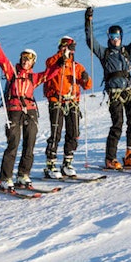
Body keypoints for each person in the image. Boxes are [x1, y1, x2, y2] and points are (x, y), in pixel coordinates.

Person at [85, 6, 131, 169]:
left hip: (129, 91)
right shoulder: (105, 53)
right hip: (114, 93)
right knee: (117, 124)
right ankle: (110, 158)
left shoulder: (127, 51)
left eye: (117, 36)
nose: (115, 39)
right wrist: (88, 21)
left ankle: (130, 154)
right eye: (112, 36)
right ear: (109, 37)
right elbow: (90, 41)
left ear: (121, 36)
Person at [0, 37, 60, 189]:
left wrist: (60, 62)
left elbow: (49, 73)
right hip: (14, 111)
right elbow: (2, 60)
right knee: (13, 144)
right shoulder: (12, 72)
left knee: (29, 144)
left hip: (30, 111)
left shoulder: (33, 77)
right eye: (24, 58)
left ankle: (23, 174)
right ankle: (6, 178)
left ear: (33, 62)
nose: (25, 61)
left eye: (29, 59)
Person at [42, 36, 92, 178]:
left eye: (69, 47)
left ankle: (67, 162)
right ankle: (50, 164)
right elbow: (49, 65)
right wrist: (60, 56)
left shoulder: (76, 67)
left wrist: (85, 78)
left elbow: (88, 86)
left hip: (72, 101)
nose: (66, 49)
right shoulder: (55, 63)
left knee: (73, 131)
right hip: (57, 100)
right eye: (63, 46)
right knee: (56, 132)